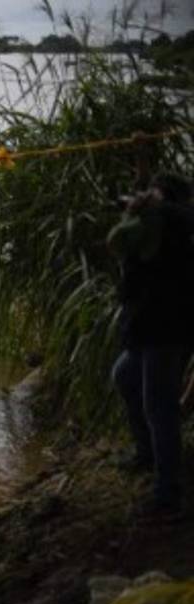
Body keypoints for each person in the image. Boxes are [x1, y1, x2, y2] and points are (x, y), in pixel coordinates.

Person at [108, 172, 194, 518]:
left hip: (167, 331)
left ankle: (168, 494)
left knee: (159, 407)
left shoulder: (178, 225)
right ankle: (147, 455)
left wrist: (160, 207)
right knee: (124, 377)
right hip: (144, 329)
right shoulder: (149, 225)